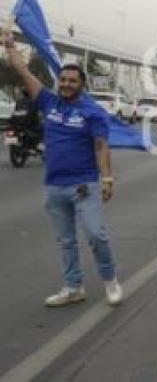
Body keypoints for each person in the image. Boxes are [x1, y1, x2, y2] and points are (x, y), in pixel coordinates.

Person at [2, 29, 122, 307]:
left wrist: (107, 179)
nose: (66, 84)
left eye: (72, 81)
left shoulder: (93, 112)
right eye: (63, 80)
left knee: (95, 234)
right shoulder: (48, 101)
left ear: (82, 85)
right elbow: (23, 72)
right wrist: (10, 46)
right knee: (66, 241)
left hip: (84, 184)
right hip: (54, 186)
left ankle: (110, 280)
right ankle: (73, 286)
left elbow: (102, 146)